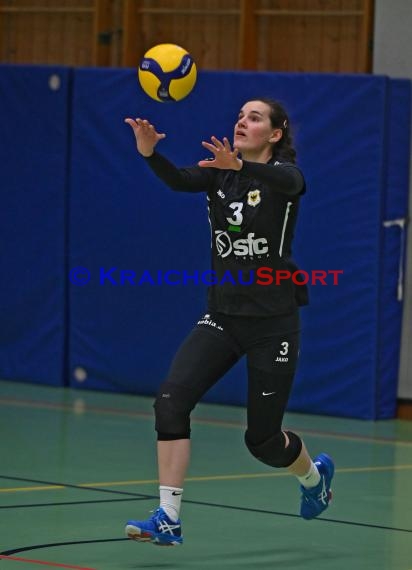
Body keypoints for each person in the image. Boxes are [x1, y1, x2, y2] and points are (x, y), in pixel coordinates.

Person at [124, 98, 334, 546]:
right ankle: (168, 516)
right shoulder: (219, 174)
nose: (242, 120)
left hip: (274, 325)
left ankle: (314, 481)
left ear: (275, 134)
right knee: (170, 402)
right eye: (239, 114)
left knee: (262, 442)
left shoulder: (283, 177)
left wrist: (241, 165)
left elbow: (291, 181)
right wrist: (149, 153)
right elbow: (179, 180)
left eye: (254, 117)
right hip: (223, 316)